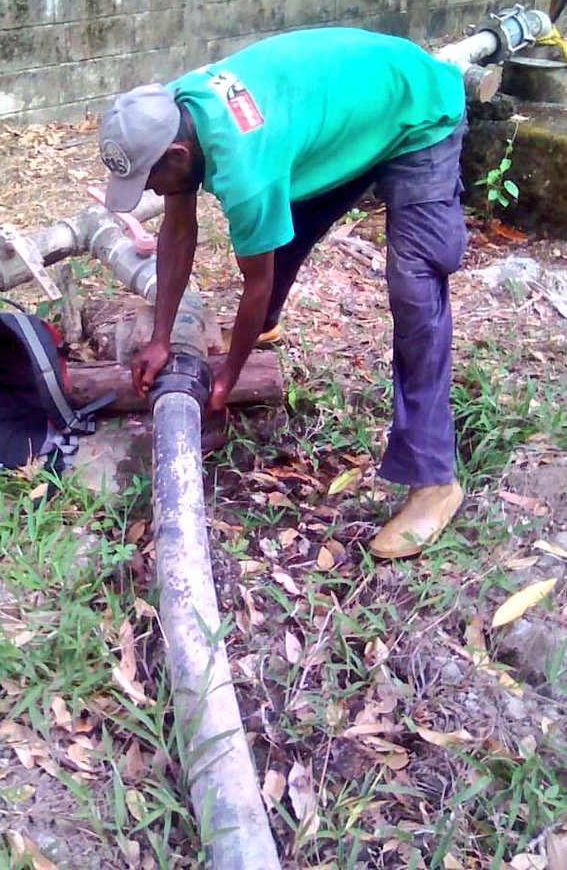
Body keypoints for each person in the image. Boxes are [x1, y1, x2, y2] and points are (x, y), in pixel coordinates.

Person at [98, 28, 469, 560]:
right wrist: (161, 335)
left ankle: (435, 480)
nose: (151, 192)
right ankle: (266, 326)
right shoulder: (168, 109)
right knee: (280, 223)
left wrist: (228, 376)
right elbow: (177, 228)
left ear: (178, 154)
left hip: (417, 110)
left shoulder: (246, 169)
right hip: (346, 117)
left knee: (415, 285)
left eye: (149, 180)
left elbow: (256, 280)